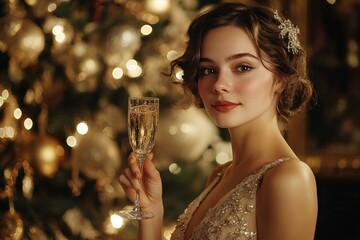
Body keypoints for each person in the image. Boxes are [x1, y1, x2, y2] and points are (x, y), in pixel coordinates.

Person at [119, 2, 318, 240]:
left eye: (242, 67)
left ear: (281, 79)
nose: (219, 84)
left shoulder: (288, 178)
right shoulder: (219, 175)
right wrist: (152, 209)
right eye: (208, 70)